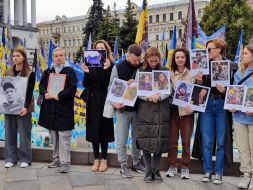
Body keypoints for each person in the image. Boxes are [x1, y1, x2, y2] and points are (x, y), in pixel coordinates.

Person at [193, 38, 233, 184]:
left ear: (219, 50)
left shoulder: (229, 66)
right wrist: (198, 81)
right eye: (206, 49)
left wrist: (225, 91)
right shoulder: (203, 66)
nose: (207, 52)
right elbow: (199, 89)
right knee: (207, 141)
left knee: (221, 141)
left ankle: (219, 173)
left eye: (209, 49)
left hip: (222, 104)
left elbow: (235, 91)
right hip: (207, 104)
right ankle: (207, 171)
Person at [108, 44, 145, 178]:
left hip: (138, 109)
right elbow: (111, 88)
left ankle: (136, 162)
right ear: (128, 55)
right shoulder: (118, 67)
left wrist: (137, 83)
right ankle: (123, 165)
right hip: (122, 109)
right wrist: (114, 103)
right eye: (134, 60)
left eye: (138, 60)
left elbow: (148, 86)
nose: (136, 62)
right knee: (121, 139)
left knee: (137, 139)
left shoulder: (142, 66)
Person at [134, 47, 170, 183]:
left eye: (156, 61)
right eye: (151, 60)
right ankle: (148, 171)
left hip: (161, 109)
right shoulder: (141, 71)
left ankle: (157, 170)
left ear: (159, 59)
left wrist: (159, 97)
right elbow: (137, 91)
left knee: (159, 141)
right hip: (146, 110)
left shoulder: (165, 70)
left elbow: (169, 89)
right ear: (146, 59)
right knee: (146, 141)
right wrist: (148, 97)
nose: (153, 63)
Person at [38, 47, 77, 173]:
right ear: (53, 58)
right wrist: (45, 93)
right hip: (50, 110)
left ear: (64, 57)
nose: (59, 57)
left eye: (61, 55)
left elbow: (72, 88)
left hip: (64, 109)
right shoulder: (48, 71)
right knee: (54, 135)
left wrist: (59, 95)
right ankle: (56, 159)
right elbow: (41, 86)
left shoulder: (70, 71)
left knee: (64, 136)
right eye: (56, 55)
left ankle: (65, 163)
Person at [78, 40, 114, 172]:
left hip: (104, 100)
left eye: (102, 48)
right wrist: (86, 72)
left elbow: (110, 85)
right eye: (97, 48)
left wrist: (106, 70)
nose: (99, 50)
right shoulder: (90, 64)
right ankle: (96, 158)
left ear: (106, 51)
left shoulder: (110, 65)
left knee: (104, 129)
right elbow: (86, 84)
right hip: (93, 101)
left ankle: (104, 159)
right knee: (93, 129)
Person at [4, 48, 35, 168]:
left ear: (23, 57)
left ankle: (25, 159)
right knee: (10, 133)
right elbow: (4, 90)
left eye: (18, 56)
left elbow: (30, 92)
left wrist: (26, 107)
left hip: (23, 108)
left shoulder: (29, 72)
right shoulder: (8, 72)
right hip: (10, 107)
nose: (15, 58)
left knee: (24, 134)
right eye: (14, 56)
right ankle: (11, 159)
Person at [166, 48, 194, 179]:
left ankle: (185, 166)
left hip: (187, 112)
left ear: (186, 58)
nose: (180, 59)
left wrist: (192, 106)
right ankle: (172, 165)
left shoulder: (192, 74)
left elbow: (197, 92)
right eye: (177, 57)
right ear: (174, 59)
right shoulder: (170, 73)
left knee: (186, 141)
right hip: (173, 111)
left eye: (182, 57)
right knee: (172, 140)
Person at [231, 45, 253, 189]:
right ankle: (246, 175)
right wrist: (231, 103)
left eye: (245, 53)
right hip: (239, 117)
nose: (242, 56)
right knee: (243, 149)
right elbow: (234, 92)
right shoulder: (238, 72)